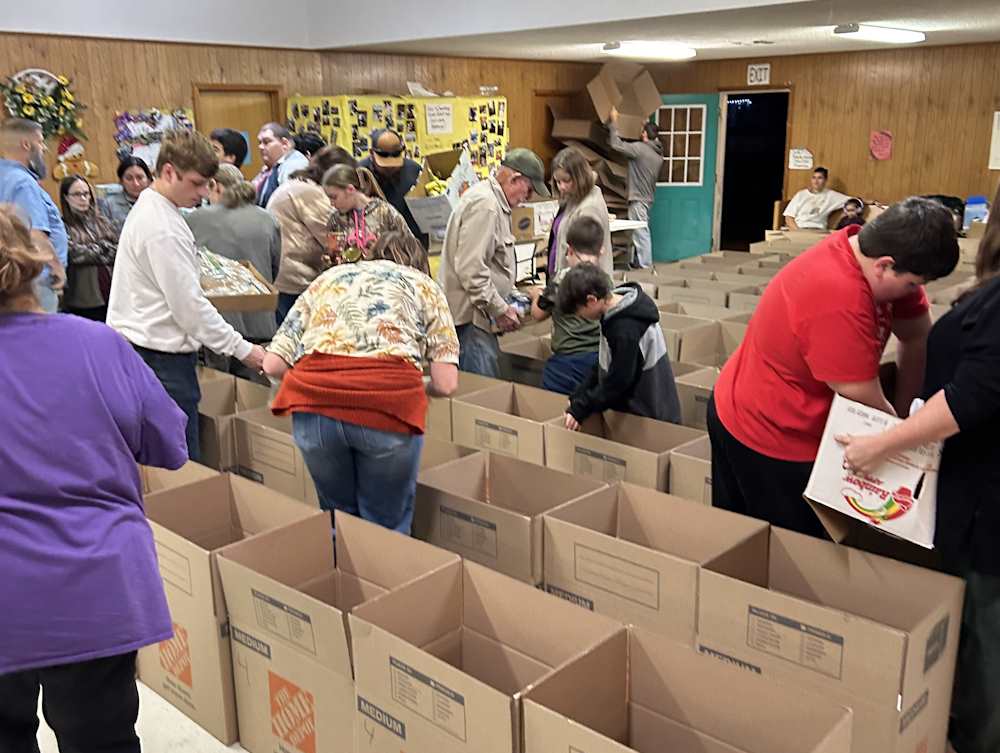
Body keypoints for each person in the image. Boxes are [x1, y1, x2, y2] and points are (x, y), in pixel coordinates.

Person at [0, 205, 187, 753]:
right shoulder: (98, 344)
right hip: (97, 579)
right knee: (100, 736)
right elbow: (170, 443)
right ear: (32, 260)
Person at [837, 188, 1000, 753]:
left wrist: (883, 444)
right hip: (973, 498)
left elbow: (968, 399)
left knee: (983, 644)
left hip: (987, 512)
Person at [708, 198, 959, 537]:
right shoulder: (837, 294)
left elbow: (917, 338)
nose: (916, 292)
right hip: (763, 425)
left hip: (801, 408)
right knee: (783, 540)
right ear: (885, 265)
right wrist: (904, 439)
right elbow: (861, 395)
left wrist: (905, 414)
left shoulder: (878, 254)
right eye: (914, 283)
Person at [263, 230, 459, 534]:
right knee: (386, 524)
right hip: (389, 406)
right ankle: (384, 580)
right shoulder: (426, 287)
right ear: (421, 263)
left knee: (337, 518)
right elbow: (446, 384)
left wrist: (318, 385)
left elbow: (272, 364)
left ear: (371, 254)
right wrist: (421, 388)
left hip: (314, 409)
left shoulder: (330, 278)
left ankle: (343, 574)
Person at [107, 129, 267, 462]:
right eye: (195, 183)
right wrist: (245, 350)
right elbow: (189, 309)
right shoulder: (161, 226)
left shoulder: (160, 209)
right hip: (159, 357)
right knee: (179, 460)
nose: (204, 192)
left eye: (208, 184)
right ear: (168, 172)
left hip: (145, 350)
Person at [439, 148, 549, 377]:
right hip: (473, 319)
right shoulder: (486, 206)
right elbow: (472, 269)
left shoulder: (493, 201)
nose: (527, 198)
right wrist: (500, 310)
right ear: (514, 178)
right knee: (482, 390)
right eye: (528, 190)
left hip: (478, 315)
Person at [185, 164, 281, 383]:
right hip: (261, 318)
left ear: (214, 186)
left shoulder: (195, 220)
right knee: (256, 396)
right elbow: (274, 269)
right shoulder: (267, 219)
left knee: (219, 395)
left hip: (216, 323)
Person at [557, 262, 681, 427]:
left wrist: (581, 409)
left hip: (651, 417)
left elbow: (618, 383)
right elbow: (605, 363)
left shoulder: (625, 329)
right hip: (640, 410)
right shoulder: (617, 309)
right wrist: (580, 394)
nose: (581, 318)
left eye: (579, 312)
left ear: (592, 300)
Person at [269, 145, 356, 325]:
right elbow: (335, 236)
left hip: (283, 277)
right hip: (296, 280)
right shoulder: (310, 192)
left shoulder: (297, 185)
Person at [0, 118, 67, 313]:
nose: (44, 148)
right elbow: (35, 234)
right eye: (41, 141)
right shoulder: (23, 183)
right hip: (34, 283)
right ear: (26, 144)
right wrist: (57, 268)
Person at [531, 216, 604, 394]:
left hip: (565, 363)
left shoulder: (562, 279)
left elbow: (538, 314)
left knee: (549, 404)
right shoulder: (605, 281)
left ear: (569, 251)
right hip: (598, 360)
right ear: (601, 251)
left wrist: (536, 296)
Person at [607, 109, 662, 269]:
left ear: (644, 134)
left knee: (640, 231)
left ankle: (645, 265)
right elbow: (652, 137)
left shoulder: (640, 149)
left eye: (642, 132)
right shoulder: (658, 152)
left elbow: (615, 144)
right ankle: (639, 261)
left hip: (638, 199)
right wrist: (646, 126)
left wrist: (614, 122)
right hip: (646, 198)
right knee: (638, 230)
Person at [323, 163, 409, 266]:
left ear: (350, 189)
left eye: (334, 197)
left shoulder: (385, 212)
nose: (331, 203)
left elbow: (409, 249)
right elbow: (329, 258)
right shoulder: (336, 220)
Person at [59, 174, 118, 322]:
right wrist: (104, 248)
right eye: (77, 194)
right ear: (66, 197)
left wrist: (95, 251)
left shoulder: (102, 221)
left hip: (113, 293)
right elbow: (74, 253)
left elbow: (119, 249)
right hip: (84, 299)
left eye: (86, 193)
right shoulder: (62, 226)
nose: (83, 198)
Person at [359, 128, 429, 248]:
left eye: (394, 164)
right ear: (371, 153)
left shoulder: (415, 171)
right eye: (384, 165)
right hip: (374, 245)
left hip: (412, 243)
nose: (390, 168)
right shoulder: (359, 174)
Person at [548, 147, 612, 277]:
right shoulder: (573, 198)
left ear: (579, 176)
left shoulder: (589, 207)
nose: (562, 187)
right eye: (558, 181)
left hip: (582, 284)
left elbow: (585, 259)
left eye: (566, 180)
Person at [255, 122, 309, 208]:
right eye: (259, 142)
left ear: (285, 144)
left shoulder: (294, 165)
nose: (260, 147)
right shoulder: (270, 168)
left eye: (266, 142)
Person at [99, 156, 153, 234]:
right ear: (121, 181)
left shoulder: (158, 202)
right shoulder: (109, 205)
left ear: (148, 180)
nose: (136, 184)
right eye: (129, 178)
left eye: (140, 178)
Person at [783, 167, 848, 231]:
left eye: (820, 178)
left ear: (825, 180)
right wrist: (798, 231)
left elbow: (855, 201)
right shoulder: (801, 194)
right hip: (800, 228)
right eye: (814, 178)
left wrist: (846, 213)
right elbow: (788, 217)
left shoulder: (831, 195)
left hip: (818, 230)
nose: (816, 181)